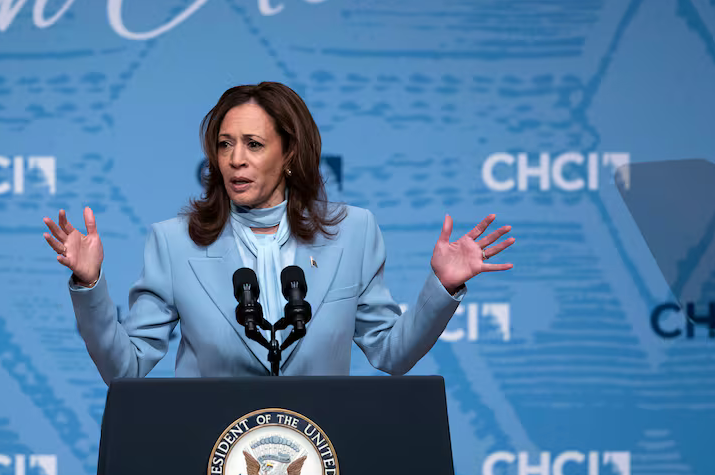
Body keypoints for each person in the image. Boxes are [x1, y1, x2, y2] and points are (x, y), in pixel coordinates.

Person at [43, 82, 514, 381]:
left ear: (289, 154)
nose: (235, 159)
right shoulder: (173, 241)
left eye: (253, 144)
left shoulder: (354, 233)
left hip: (322, 468)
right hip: (208, 463)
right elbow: (126, 368)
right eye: (224, 144)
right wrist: (89, 285)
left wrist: (443, 288)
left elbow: (391, 353)